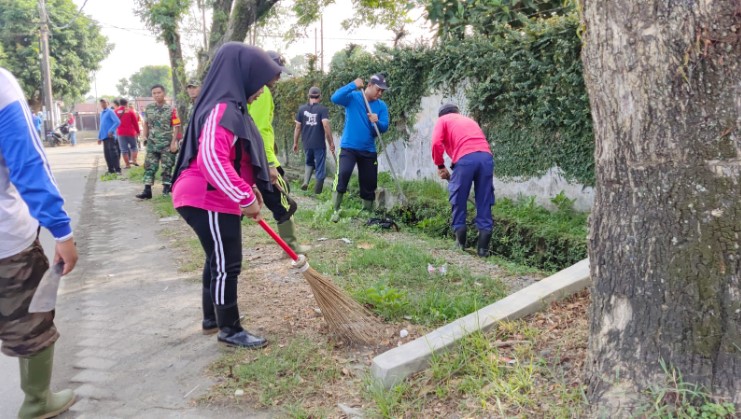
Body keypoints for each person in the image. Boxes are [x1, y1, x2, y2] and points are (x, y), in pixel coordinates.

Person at [171, 42, 279, 348]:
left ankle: (212, 319)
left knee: (215, 259)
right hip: (207, 196)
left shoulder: (227, 107)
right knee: (227, 262)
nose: (260, 91)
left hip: (209, 195)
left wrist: (249, 189)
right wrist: (243, 198)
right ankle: (229, 329)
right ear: (242, 76)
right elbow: (211, 159)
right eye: (258, 83)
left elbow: (232, 159)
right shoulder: (224, 110)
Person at [0, 67, 79, 419]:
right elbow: (27, 163)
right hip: (6, 244)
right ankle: (37, 401)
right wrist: (61, 231)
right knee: (30, 319)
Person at [248, 51, 308, 253]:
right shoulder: (261, 91)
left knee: (238, 202)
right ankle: (292, 248)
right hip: (260, 159)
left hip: (249, 156)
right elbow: (259, 129)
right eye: (277, 72)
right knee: (282, 201)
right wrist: (270, 163)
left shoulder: (248, 88)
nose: (279, 77)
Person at [431, 103, 494, 257]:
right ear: (457, 112)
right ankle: (483, 250)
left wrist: (440, 165)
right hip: (486, 158)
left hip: (466, 160)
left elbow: (435, 143)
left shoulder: (443, 120)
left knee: (458, 198)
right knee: (484, 200)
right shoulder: (469, 121)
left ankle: (460, 243)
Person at [329, 74, 390, 222]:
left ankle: (366, 213)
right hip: (348, 147)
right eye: (378, 89)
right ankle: (335, 210)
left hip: (368, 149)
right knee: (342, 175)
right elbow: (335, 98)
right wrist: (353, 84)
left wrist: (377, 121)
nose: (380, 93)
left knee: (369, 182)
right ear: (369, 85)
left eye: (383, 91)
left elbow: (384, 127)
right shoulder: (353, 97)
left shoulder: (381, 106)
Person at [136, 85, 181, 199]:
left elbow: (176, 127)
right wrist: (144, 137)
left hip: (167, 143)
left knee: (167, 166)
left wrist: (173, 142)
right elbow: (146, 123)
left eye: (159, 92)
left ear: (164, 93)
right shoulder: (149, 108)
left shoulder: (171, 109)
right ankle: (147, 191)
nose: (156, 95)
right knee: (149, 166)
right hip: (152, 143)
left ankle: (166, 190)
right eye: (154, 93)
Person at [293, 86, 335, 194]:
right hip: (319, 143)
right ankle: (318, 191)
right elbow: (325, 125)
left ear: (309, 96)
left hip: (306, 143)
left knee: (309, 162)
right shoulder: (322, 109)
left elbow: (298, 127)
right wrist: (331, 142)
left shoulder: (301, 109)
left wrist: (295, 142)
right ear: (320, 96)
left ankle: (306, 181)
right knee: (320, 166)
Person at [115, 98, 140, 168]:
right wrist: (138, 131)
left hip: (121, 133)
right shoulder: (130, 111)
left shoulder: (116, 111)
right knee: (134, 147)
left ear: (119, 103)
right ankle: (134, 160)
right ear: (127, 103)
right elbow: (135, 122)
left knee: (123, 149)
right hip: (131, 132)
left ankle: (127, 165)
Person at [98, 98, 121, 174]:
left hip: (110, 136)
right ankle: (111, 170)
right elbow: (101, 126)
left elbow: (117, 122)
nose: (102, 104)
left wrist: (111, 130)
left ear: (108, 103)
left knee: (113, 153)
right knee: (107, 154)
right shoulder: (101, 113)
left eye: (104, 102)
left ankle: (117, 169)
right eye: (101, 103)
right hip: (104, 137)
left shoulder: (110, 112)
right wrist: (99, 137)